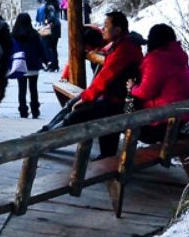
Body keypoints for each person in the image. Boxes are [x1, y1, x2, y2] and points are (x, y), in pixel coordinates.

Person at [42, 11, 142, 157]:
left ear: (117, 30)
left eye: (106, 26)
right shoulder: (120, 44)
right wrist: (85, 95)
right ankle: (43, 134)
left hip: (119, 101)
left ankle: (41, 143)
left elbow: (105, 77)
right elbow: (105, 67)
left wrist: (86, 97)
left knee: (75, 115)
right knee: (71, 105)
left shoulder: (125, 48)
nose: (103, 29)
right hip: (112, 97)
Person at [129, 24, 189, 142]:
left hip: (164, 117)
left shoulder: (155, 59)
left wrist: (133, 87)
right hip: (184, 114)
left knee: (125, 122)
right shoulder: (178, 55)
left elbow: (145, 92)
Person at [10, 12, 44, 119]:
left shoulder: (14, 35)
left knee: (21, 89)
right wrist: (45, 60)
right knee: (33, 88)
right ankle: (35, 109)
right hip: (33, 65)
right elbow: (40, 49)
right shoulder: (34, 34)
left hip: (20, 65)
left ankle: (23, 110)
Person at [39, 0, 62, 71]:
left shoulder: (50, 7)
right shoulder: (55, 6)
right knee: (54, 48)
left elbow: (51, 17)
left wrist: (47, 21)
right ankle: (56, 64)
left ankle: (52, 65)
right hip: (57, 29)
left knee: (49, 48)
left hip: (51, 29)